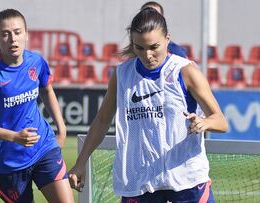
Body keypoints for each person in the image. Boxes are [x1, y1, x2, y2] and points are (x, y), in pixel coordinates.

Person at [69, 8, 228, 203]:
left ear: (167, 39)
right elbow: (102, 121)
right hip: (139, 180)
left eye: (154, 47)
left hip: (186, 179)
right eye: (140, 48)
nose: (148, 55)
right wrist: (80, 163)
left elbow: (221, 121)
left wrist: (204, 123)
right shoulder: (122, 74)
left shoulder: (185, 71)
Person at [0, 8, 74, 203]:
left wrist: (62, 128)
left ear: (26, 34)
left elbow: (46, 89)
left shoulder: (36, 61)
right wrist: (14, 137)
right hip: (8, 163)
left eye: (17, 32)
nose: (13, 39)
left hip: (43, 147)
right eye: (5, 34)